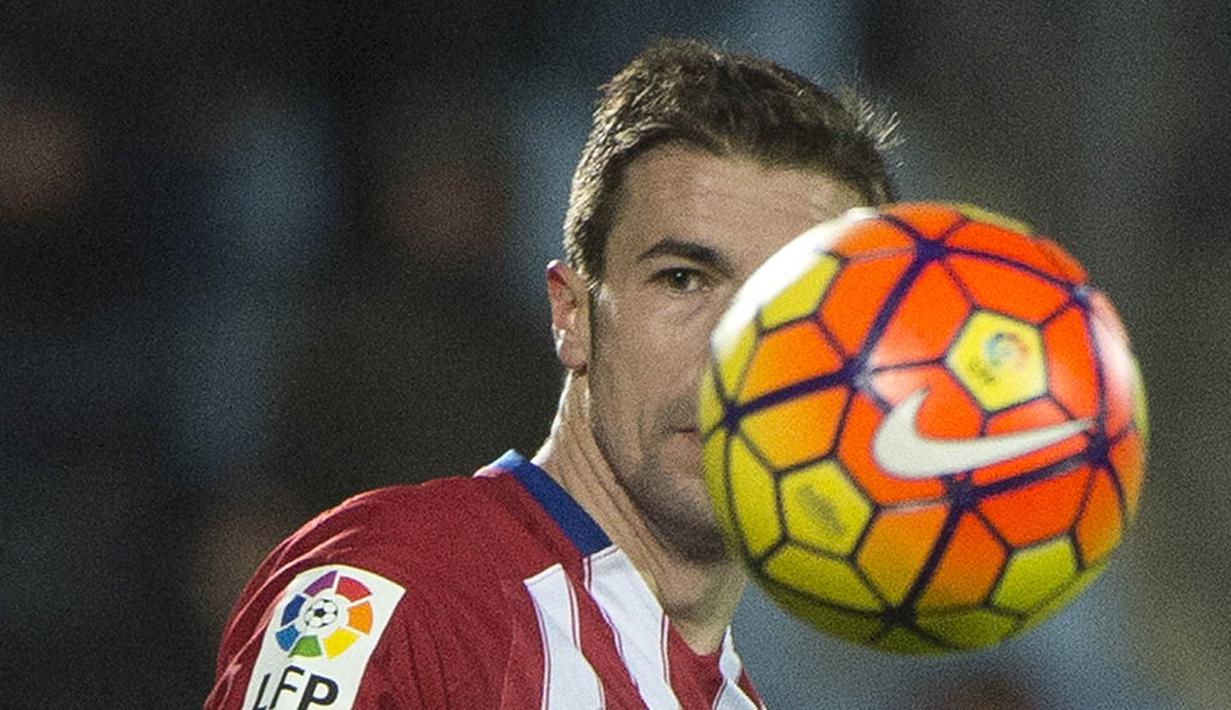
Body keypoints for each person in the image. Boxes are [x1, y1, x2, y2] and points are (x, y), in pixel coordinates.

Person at [206, 38, 895, 709]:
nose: (733, 348)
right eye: (682, 280)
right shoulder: (395, 592)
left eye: (796, 303)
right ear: (572, 316)